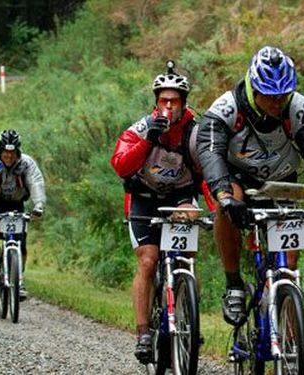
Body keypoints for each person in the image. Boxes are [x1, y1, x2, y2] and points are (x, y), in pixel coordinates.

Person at [196, 46, 304, 326]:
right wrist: (223, 195)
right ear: (254, 88)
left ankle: (288, 329)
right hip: (236, 177)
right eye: (270, 95)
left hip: (281, 182)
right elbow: (210, 150)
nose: (278, 102)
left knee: (288, 268)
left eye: (283, 95)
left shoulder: (298, 107)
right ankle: (234, 285)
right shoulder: (227, 107)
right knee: (229, 203)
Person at [110, 61, 213, 364]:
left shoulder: (195, 131)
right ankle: (143, 331)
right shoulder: (141, 128)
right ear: (156, 102)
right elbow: (120, 166)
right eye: (163, 101)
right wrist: (148, 142)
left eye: (175, 101)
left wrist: (215, 207)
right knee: (148, 259)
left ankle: (187, 314)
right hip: (143, 198)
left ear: (184, 103)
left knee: (185, 256)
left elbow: (208, 174)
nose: (169, 106)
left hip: (179, 197)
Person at [0, 129, 46, 299]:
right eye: (5, 152)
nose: (9, 156)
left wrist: (39, 205)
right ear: (0, 150)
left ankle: (19, 281)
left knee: (21, 243)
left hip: (16, 202)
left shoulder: (26, 163)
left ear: (17, 150)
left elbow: (36, 182)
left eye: (12, 153)